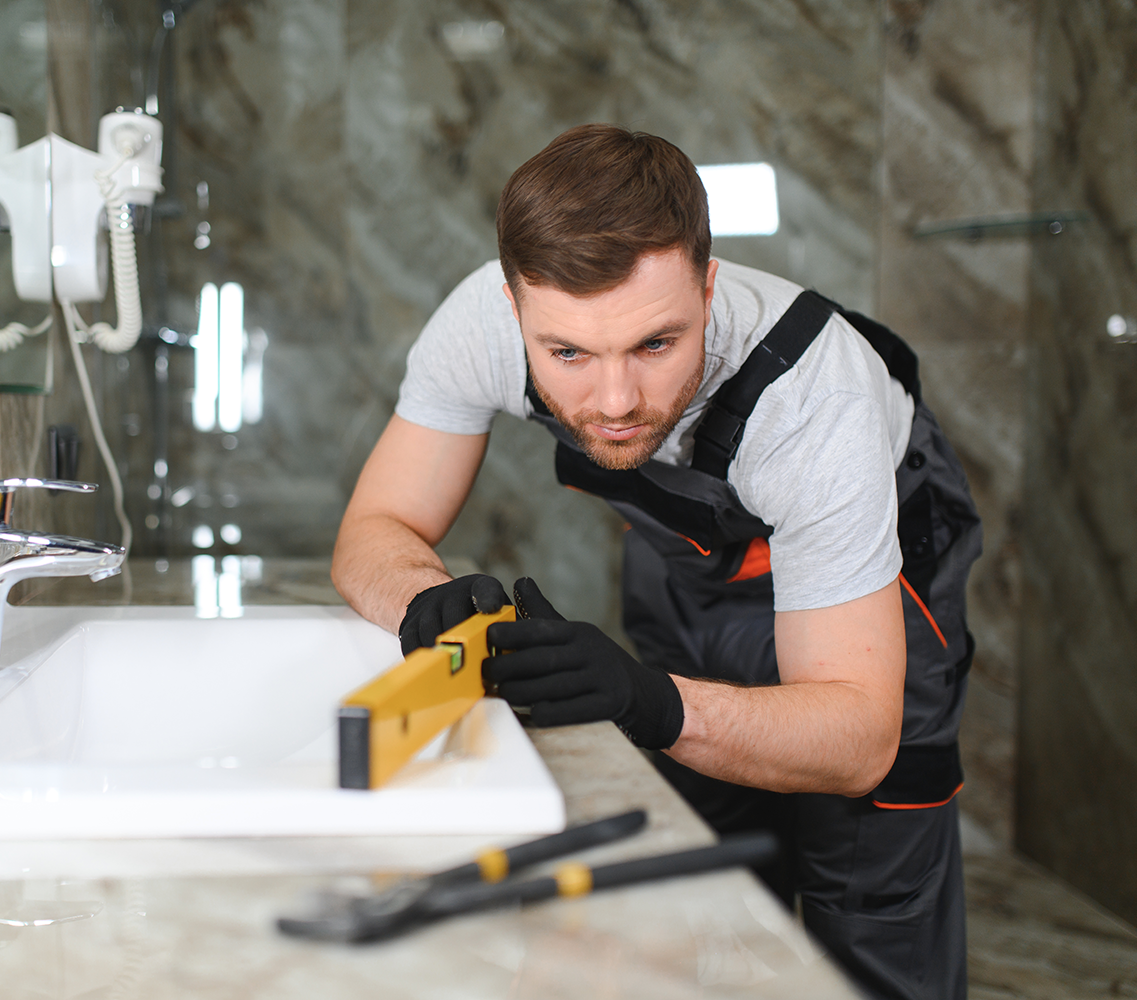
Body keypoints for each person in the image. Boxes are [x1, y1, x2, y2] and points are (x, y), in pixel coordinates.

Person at [331, 124, 980, 1000]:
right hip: (688, 577)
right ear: (514, 307)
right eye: (567, 353)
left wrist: (655, 702)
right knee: (694, 888)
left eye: (655, 344)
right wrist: (424, 597)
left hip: (878, 590)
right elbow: (377, 524)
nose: (614, 402)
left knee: (866, 923)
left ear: (709, 289)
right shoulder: (480, 320)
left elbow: (859, 741)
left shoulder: (815, 401)